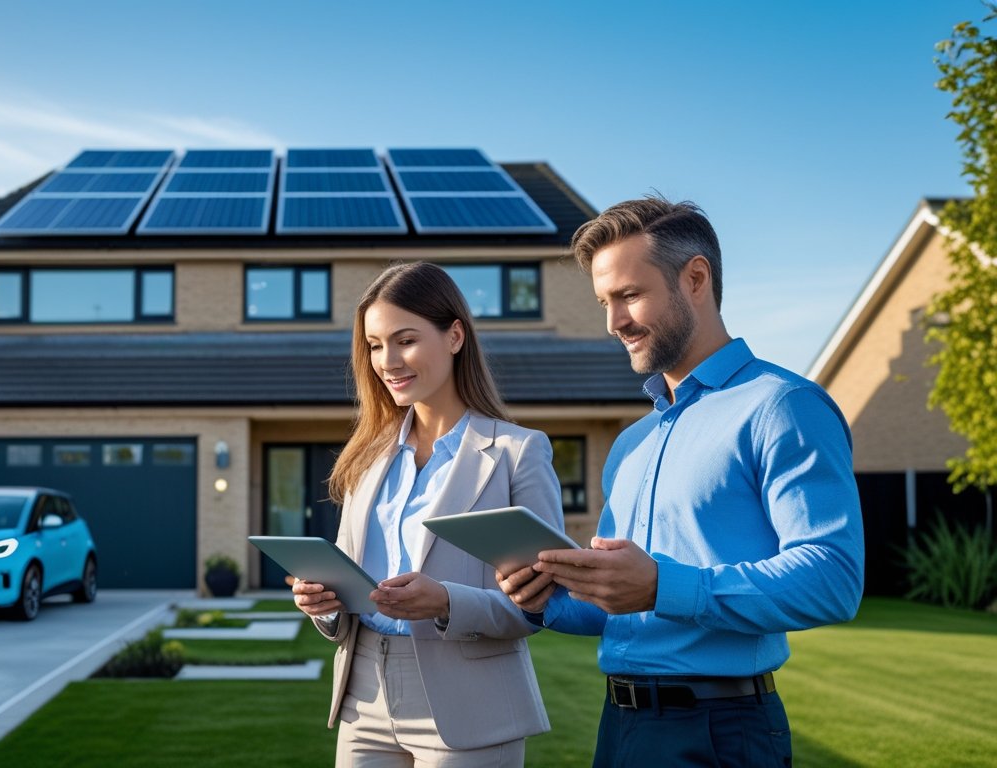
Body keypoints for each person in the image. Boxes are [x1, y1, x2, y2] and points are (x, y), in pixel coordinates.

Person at [498, 196, 865, 767]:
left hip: (720, 732)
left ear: (695, 278)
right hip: (620, 726)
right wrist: (544, 600)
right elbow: (621, 605)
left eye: (629, 296)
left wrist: (660, 586)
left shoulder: (783, 406)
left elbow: (833, 578)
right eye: (604, 302)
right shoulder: (631, 444)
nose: (614, 322)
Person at [292, 262, 562, 767]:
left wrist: (444, 602)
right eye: (374, 345)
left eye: (405, 340)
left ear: (455, 335)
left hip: (470, 702)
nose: (387, 360)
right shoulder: (367, 458)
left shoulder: (515, 453)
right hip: (363, 697)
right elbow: (351, 591)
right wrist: (324, 604)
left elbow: (538, 606)